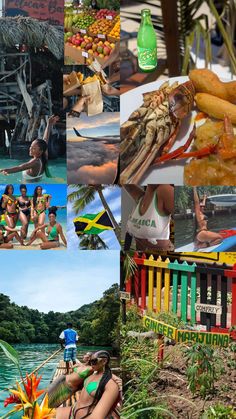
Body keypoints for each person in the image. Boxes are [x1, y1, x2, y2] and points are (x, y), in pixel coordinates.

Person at [56, 350, 121, 419]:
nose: (92, 364)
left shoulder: (110, 385)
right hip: (73, 410)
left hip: (85, 416)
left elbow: (96, 417)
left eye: (94, 361)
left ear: (104, 361)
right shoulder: (92, 373)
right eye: (91, 361)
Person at [0, 115, 59, 181]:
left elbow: (20, 167)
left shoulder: (35, 162)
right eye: (31, 146)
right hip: (38, 181)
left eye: (34, 148)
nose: (30, 149)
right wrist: (49, 124)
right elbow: (45, 139)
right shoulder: (44, 155)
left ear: (40, 151)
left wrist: (4, 170)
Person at [124, 184, 174, 251]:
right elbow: (125, 182)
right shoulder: (141, 197)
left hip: (160, 255)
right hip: (139, 254)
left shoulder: (164, 190)